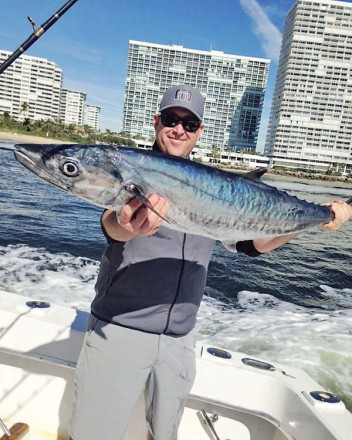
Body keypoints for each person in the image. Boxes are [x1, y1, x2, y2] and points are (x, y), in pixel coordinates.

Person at [70, 84, 352, 440]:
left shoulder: (212, 186)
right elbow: (113, 228)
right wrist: (126, 223)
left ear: (199, 131)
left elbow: (255, 244)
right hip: (119, 331)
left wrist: (319, 218)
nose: (179, 129)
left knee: (163, 434)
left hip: (179, 340)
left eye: (189, 124)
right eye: (172, 119)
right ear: (157, 121)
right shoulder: (130, 170)